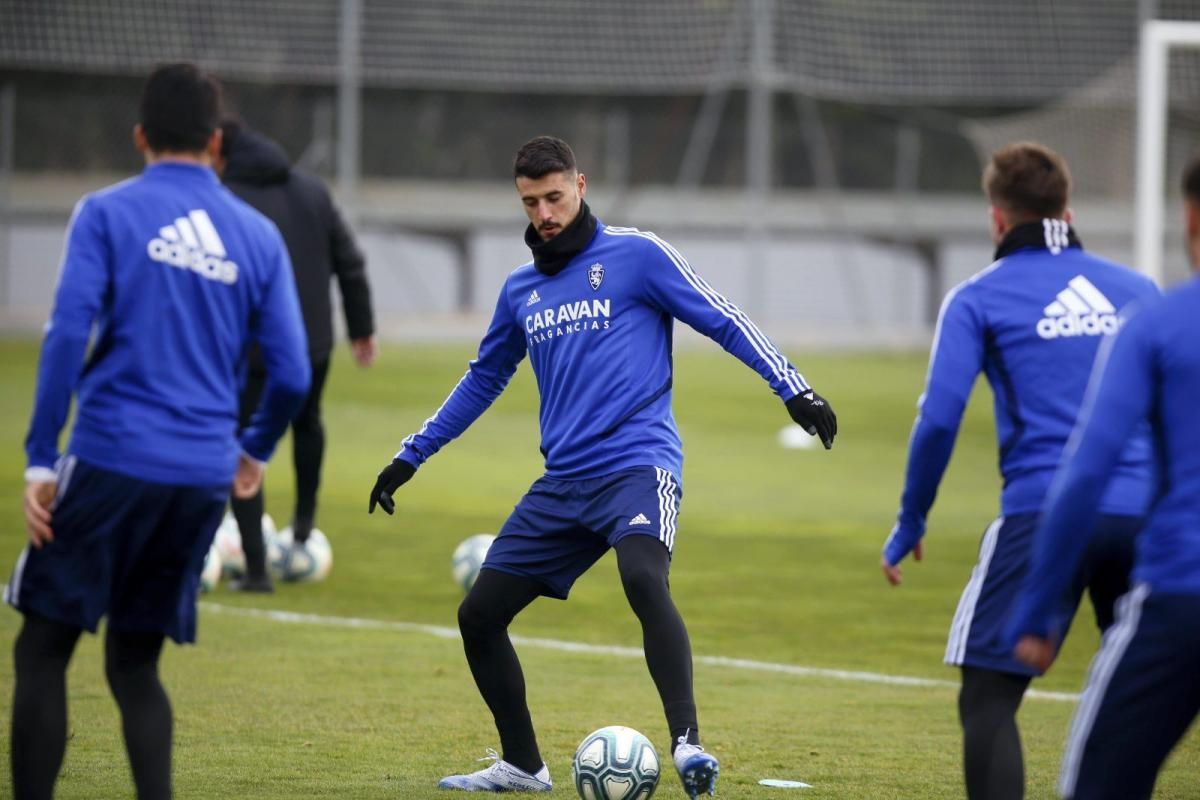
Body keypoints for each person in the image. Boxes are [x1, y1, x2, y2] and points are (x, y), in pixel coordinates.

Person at [368, 135, 837, 797]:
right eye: (531, 202)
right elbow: (482, 380)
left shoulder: (637, 256)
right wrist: (410, 455)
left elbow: (722, 318)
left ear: (581, 185)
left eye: (554, 196)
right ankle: (523, 766)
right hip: (563, 484)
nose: (544, 213)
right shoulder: (521, 289)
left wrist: (793, 387)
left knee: (643, 577)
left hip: (638, 466)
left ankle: (687, 744)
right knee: (479, 616)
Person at [6, 64, 310, 800]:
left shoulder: (106, 213)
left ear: (140, 136)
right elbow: (293, 373)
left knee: (43, 649)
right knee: (135, 665)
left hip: (111, 459)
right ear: (215, 144)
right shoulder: (258, 236)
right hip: (203, 476)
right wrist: (253, 452)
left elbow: (64, 336)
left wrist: (42, 458)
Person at [879, 142, 1159, 800]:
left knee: (988, 696)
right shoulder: (1140, 289)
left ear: (997, 219)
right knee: (1150, 698)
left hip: (1046, 514)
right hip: (1149, 517)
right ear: (1067, 208)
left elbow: (941, 418)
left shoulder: (978, 297)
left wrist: (911, 519)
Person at [1007, 157, 1200, 799]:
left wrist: (1038, 608)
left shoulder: (1158, 324)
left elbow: (1085, 472)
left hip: (1182, 595)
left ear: (1190, 217)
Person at [214, 119, 376, 591]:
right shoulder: (311, 190)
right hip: (314, 343)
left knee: (244, 444)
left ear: (219, 150)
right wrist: (362, 328)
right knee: (308, 423)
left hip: (252, 349)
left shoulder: (225, 197)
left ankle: (258, 568)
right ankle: (303, 527)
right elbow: (350, 260)